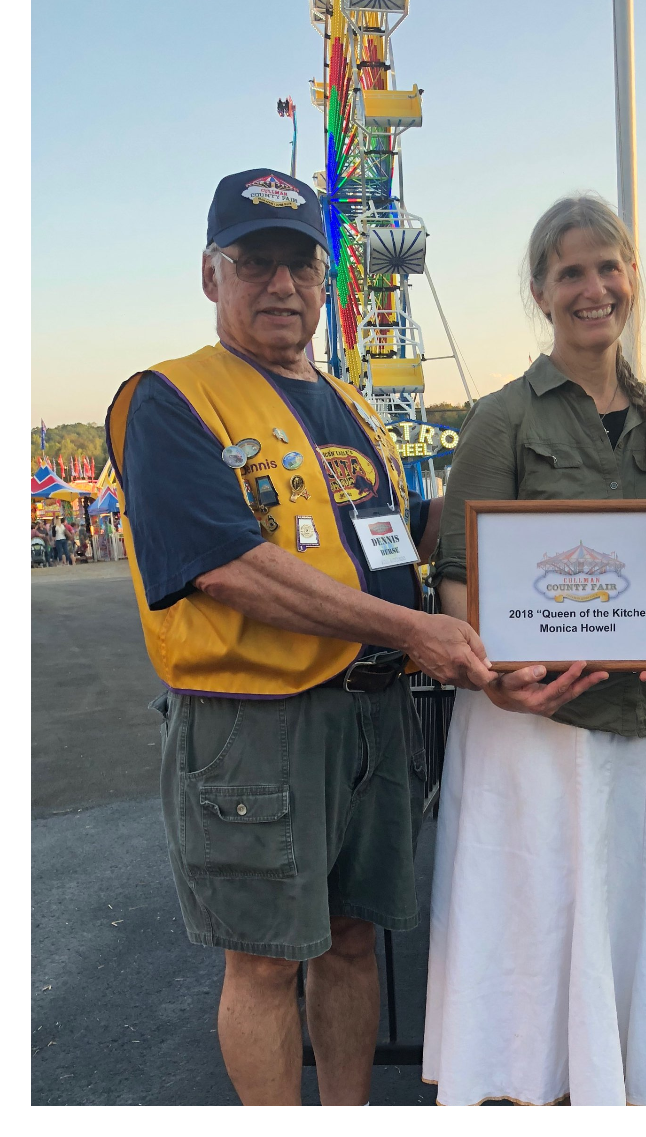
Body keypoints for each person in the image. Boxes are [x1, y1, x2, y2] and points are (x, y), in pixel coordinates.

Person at [105, 167, 495, 1105]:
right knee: (267, 964)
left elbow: (397, 536)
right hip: (256, 724)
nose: (281, 285)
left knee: (355, 940)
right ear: (212, 275)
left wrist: (523, 499)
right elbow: (227, 565)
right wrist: (416, 628)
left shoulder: (354, 407)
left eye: (300, 264)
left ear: (326, 280)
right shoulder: (170, 401)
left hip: (370, 714)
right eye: (255, 262)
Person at [422, 194, 646, 1107]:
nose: (594, 288)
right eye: (571, 273)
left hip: (633, 724)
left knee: (619, 916)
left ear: (632, 279)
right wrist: (502, 675)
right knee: (532, 920)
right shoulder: (503, 419)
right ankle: (520, 1091)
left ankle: (614, 1091)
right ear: (541, 293)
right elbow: (459, 574)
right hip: (530, 728)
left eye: (608, 267)